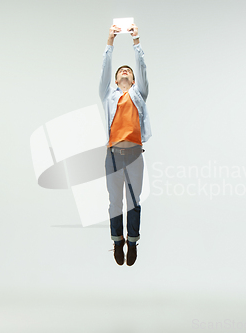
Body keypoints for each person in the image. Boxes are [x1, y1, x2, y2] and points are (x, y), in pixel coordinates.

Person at [99, 23, 151, 266]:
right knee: (114, 202)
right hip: (112, 155)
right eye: (121, 71)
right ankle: (117, 240)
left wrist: (136, 41)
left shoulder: (139, 93)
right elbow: (104, 70)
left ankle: (133, 241)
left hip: (133, 155)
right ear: (116, 78)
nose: (125, 72)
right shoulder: (108, 95)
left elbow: (141, 70)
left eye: (127, 71)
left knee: (134, 201)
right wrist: (110, 41)